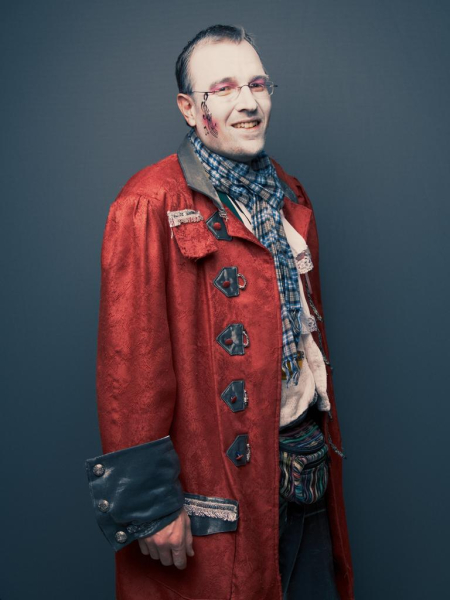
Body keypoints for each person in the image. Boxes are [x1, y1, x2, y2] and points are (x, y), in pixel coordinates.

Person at [85, 24, 354, 600]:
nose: (249, 102)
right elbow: (129, 365)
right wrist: (149, 505)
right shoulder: (148, 201)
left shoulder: (288, 193)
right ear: (189, 108)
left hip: (305, 469)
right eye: (225, 88)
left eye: (257, 84)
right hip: (220, 488)